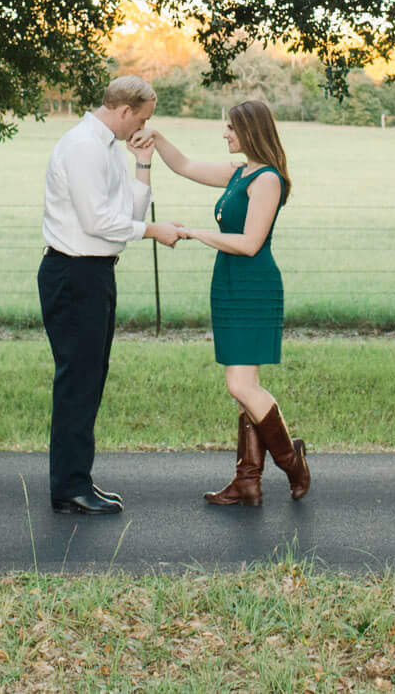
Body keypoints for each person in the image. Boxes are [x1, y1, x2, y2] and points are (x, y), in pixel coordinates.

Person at [144, 98, 311, 507]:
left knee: (241, 385)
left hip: (254, 286)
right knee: (243, 388)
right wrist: (157, 138)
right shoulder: (240, 172)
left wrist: (195, 233)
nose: (225, 134)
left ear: (251, 131)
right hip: (230, 283)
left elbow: (251, 243)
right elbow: (185, 165)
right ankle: (246, 481)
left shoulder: (267, 180)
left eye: (231, 128)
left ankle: (292, 461)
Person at [38, 74, 180, 515]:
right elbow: (98, 222)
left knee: (91, 379)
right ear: (123, 111)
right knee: (77, 383)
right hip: (73, 273)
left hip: (96, 273)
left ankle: (78, 480)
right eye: (142, 119)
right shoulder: (83, 147)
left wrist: (143, 164)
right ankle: (68, 489)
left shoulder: (110, 149)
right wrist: (153, 231)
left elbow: (126, 215)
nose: (142, 127)